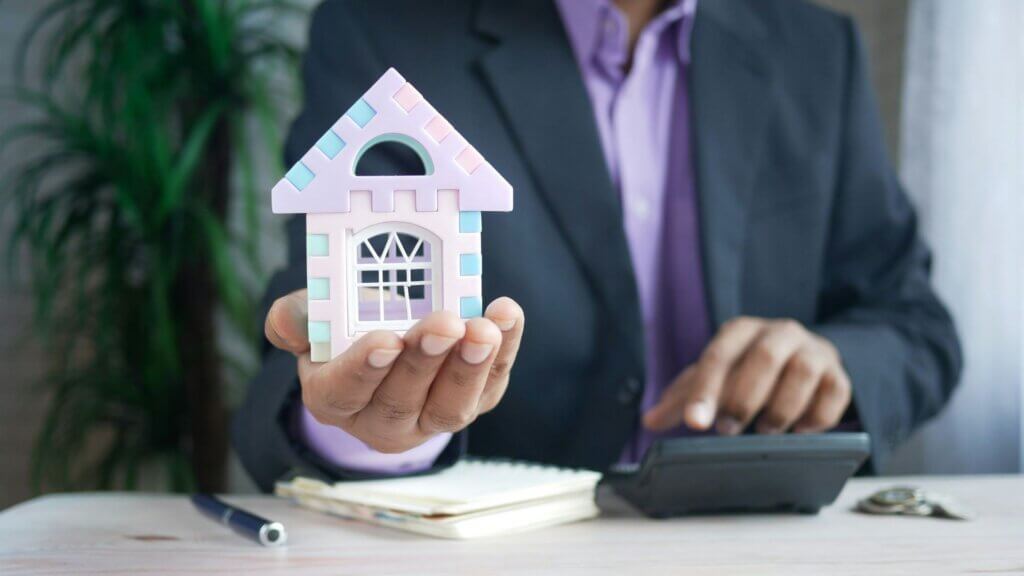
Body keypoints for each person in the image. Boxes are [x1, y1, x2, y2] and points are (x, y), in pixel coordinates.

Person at [234, 0, 962, 490]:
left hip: (758, 537)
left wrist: (835, 364)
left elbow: (914, 326)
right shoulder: (382, 30)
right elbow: (322, 335)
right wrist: (376, 428)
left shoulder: (815, 47)